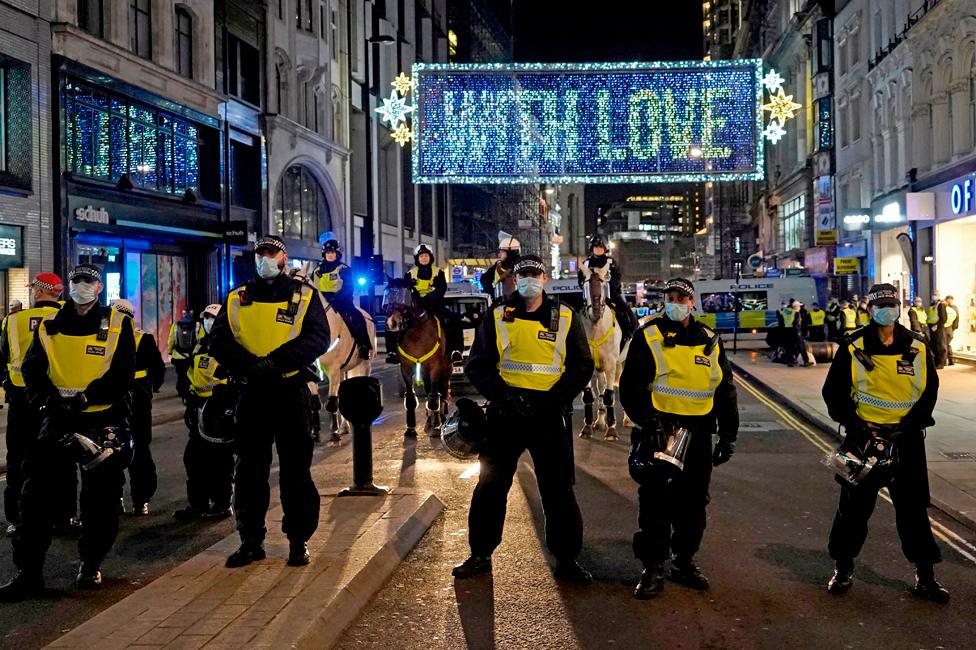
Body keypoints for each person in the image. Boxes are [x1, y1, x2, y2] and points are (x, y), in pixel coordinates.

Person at [454, 254, 594, 583]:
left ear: (545, 279)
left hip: (548, 415)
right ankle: (480, 554)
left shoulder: (565, 316)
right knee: (490, 487)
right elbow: (478, 365)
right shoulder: (498, 315)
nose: (529, 279)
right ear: (515, 280)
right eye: (523, 275)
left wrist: (556, 399)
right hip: (506, 414)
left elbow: (581, 366)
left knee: (558, 491)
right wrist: (504, 396)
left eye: (535, 274)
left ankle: (567, 560)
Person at [0, 264, 136, 599]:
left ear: (99, 288)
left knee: (100, 500)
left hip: (100, 420)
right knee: (34, 498)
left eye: (88, 281)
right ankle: (29, 573)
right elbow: (32, 368)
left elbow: (122, 375)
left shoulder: (117, 323)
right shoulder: (49, 324)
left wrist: (86, 397)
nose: (81, 287)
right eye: (76, 281)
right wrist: (48, 402)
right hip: (58, 418)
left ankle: (90, 564)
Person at [821, 283, 948, 603]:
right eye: (880, 305)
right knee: (852, 510)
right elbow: (833, 393)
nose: (886, 309)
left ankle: (926, 576)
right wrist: (857, 424)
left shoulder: (917, 346)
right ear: (870, 309)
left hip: (906, 441)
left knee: (914, 511)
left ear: (899, 308)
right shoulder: (852, 346)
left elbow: (929, 392)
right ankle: (843, 568)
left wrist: (909, 425)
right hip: (863, 439)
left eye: (891, 304)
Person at [209, 235, 330, 568]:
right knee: (249, 471)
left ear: (283, 259)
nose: (265, 259)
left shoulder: (305, 295)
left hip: (290, 392)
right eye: (260, 254)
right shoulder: (236, 297)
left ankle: (297, 540)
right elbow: (218, 340)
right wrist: (250, 366)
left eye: (271, 253)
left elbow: (318, 338)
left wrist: (276, 362)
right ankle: (251, 540)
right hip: (253, 393)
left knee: (296, 471)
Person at [620, 277, 738, 599]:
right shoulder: (648, 335)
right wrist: (648, 421)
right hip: (659, 430)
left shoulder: (710, 340)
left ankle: (684, 561)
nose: (676, 302)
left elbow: (724, 389)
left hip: (698, 433)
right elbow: (630, 388)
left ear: (692, 303)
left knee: (694, 503)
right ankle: (653, 566)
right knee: (655, 501)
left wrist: (728, 434)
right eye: (670, 297)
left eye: (681, 297)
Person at [0, 274, 63, 534]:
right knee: (58, 460)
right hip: (58, 401)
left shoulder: (13, 321)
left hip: (20, 400)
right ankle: (62, 515)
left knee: (18, 460)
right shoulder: (70, 318)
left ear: (38, 292)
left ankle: (17, 518)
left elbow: (2, 354)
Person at [175, 304, 234, 521]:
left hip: (220, 411)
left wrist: (226, 397)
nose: (209, 321)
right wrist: (189, 395)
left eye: (213, 317)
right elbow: (191, 374)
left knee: (220, 462)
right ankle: (197, 504)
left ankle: (222, 503)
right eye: (206, 317)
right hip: (200, 409)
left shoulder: (230, 346)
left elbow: (235, 375)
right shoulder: (200, 346)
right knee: (193, 459)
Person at [111, 299, 165, 516]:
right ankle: (139, 500)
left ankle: (122, 498)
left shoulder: (108, 338)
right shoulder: (143, 337)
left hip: (119, 398)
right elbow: (158, 368)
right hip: (138, 398)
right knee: (139, 448)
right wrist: (151, 386)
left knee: (115, 449)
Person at [388, 244, 463, 365]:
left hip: (435, 306)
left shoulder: (438, 272)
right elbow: (407, 291)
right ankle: (393, 352)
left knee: (453, 319)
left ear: (430, 257)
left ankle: (455, 350)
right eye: (421, 256)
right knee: (394, 322)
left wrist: (430, 298)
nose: (423, 258)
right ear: (417, 258)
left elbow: (441, 289)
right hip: (414, 308)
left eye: (426, 255)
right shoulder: (409, 274)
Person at [314, 238, 371, 360]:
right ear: (324, 254)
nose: (330, 255)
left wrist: (337, 298)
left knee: (357, 317)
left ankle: (363, 346)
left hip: (341, 301)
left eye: (332, 252)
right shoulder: (317, 270)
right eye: (328, 252)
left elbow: (349, 287)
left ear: (337, 254)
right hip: (321, 302)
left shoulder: (343, 269)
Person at [577, 235, 640, 346]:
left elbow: (616, 277)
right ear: (592, 249)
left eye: (600, 247)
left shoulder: (611, 262)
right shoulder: (586, 264)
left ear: (605, 249)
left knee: (626, 312)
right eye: (596, 247)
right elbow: (581, 279)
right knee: (576, 312)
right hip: (590, 295)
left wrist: (609, 287)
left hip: (610, 294)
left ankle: (630, 333)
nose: (598, 249)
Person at [168, 309, 201, 400]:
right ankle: (188, 391)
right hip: (191, 356)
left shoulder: (176, 325)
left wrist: (170, 352)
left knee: (181, 375)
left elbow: (171, 340)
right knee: (189, 374)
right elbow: (199, 340)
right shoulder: (197, 325)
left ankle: (181, 391)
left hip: (178, 356)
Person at [479, 232, 521, 302]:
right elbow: (484, 279)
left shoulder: (520, 266)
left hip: (511, 304)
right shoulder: (499, 266)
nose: (499, 255)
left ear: (510, 253)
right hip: (503, 303)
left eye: (502, 252)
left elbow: (484, 280)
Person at [927, 291, 948, 369]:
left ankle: (941, 363)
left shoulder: (941, 305)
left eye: (936, 295)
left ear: (939, 296)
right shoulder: (933, 305)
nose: (934, 296)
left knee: (940, 345)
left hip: (938, 327)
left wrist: (937, 325)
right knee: (934, 345)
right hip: (932, 327)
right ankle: (936, 362)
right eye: (933, 295)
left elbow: (943, 318)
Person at [944, 295, 959, 366]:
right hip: (948, 328)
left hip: (949, 328)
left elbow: (957, 319)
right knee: (946, 344)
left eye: (951, 300)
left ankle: (949, 360)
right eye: (948, 299)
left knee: (946, 344)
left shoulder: (953, 308)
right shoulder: (945, 306)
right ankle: (949, 360)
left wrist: (954, 328)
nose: (949, 301)